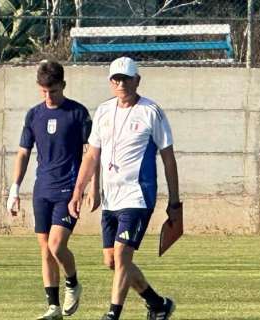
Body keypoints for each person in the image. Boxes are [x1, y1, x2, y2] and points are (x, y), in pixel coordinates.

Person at [68, 57, 182, 320]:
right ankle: (158, 304)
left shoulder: (151, 111)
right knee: (112, 261)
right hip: (111, 198)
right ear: (110, 82)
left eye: (126, 79)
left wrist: (174, 202)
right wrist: (80, 191)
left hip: (138, 196)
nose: (121, 84)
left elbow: (168, 158)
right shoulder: (104, 111)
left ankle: (112, 314)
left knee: (122, 255)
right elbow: (91, 156)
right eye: (116, 79)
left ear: (137, 80)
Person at [6, 60, 99, 320]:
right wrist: (15, 188)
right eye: (44, 91)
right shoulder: (34, 115)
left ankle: (73, 283)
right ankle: (53, 307)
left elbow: (92, 153)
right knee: (45, 249)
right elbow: (23, 153)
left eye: (54, 91)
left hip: (69, 190)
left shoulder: (78, 113)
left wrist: (91, 186)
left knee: (57, 245)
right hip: (42, 189)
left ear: (63, 85)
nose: (49, 96)